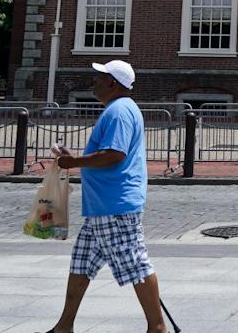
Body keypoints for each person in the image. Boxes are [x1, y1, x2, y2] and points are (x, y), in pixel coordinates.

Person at [39, 60, 167, 333]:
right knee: (81, 263)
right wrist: (73, 158)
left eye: (100, 78)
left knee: (135, 263)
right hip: (102, 207)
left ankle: (157, 328)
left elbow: (114, 154)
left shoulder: (119, 111)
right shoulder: (118, 109)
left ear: (113, 83)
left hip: (115, 205)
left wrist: (73, 162)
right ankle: (64, 326)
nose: (94, 82)